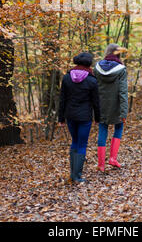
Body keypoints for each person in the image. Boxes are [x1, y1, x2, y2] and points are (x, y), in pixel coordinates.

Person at [58, 52, 100, 183]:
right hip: (84, 117)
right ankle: (77, 176)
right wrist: (98, 118)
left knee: (75, 142)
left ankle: (73, 175)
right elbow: (96, 102)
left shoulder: (66, 78)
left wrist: (61, 118)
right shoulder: (92, 80)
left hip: (70, 116)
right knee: (82, 144)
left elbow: (62, 99)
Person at [94, 44, 128, 172]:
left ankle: (101, 164)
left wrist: (93, 107)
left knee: (103, 129)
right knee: (118, 127)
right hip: (116, 105)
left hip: (101, 104)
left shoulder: (97, 68)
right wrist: (124, 112)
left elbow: (94, 88)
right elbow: (123, 92)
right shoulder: (121, 69)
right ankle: (113, 158)